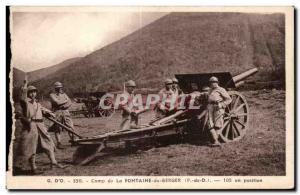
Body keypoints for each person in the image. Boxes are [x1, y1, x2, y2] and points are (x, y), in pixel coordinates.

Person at [14, 80, 65, 175]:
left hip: (41, 126)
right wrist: (24, 86)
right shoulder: (25, 103)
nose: (33, 94)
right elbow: (22, 97)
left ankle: (53, 162)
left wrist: (50, 114)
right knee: (31, 146)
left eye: (34, 92)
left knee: (48, 142)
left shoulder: (37, 103)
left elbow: (43, 110)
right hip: (31, 126)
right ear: (28, 94)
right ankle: (33, 168)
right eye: (31, 92)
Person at [207, 76, 232, 146]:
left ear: (217, 82)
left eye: (214, 82)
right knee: (209, 123)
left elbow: (229, 99)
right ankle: (215, 140)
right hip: (210, 107)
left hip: (218, 107)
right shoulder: (210, 90)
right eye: (211, 82)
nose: (212, 84)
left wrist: (221, 105)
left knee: (218, 124)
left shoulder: (221, 89)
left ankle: (215, 141)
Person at [49, 82, 74, 149]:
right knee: (58, 128)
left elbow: (70, 102)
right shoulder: (52, 95)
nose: (59, 89)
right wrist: (65, 101)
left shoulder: (64, 94)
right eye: (58, 88)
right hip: (57, 113)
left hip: (66, 112)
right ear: (55, 88)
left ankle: (73, 140)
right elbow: (57, 102)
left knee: (70, 126)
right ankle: (59, 143)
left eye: (60, 87)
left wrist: (64, 105)